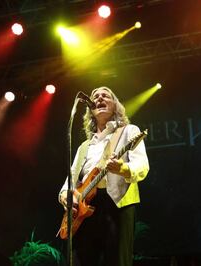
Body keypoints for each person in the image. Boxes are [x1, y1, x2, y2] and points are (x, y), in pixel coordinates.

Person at [58, 86, 149, 266]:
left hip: (116, 203)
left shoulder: (129, 131)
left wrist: (122, 168)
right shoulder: (84, 146)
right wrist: (65, 197)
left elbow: (142, 165)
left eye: (105, 96)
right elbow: (70, 180)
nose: (99, 98)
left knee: (116, 261)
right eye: (95, 96)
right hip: (85, 209)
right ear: (90, 109)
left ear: (115, 105)